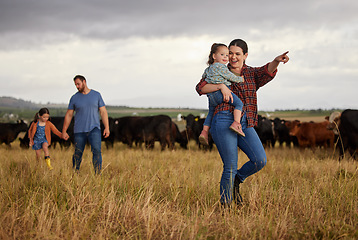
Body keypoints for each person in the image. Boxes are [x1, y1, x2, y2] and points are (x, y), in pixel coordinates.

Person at [196, 39, 289, 207]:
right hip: (224, 119)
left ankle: (236, 181)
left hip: (246, 123)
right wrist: (221, 87)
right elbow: (200, 88)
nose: (232, 57)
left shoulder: (252, 74)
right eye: (230, 53)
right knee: (230, 165)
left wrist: (276, 61)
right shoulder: (219, 70)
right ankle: (226, 207)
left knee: (259, 160)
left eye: (237, 54)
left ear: (245, 55)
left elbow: (266, 71)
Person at [199, 43, 245, 146]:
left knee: (211, 112)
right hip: (221, 93)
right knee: (239, 104)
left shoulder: (208, 68)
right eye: (222, 55)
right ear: (214, 56)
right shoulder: (222, 67)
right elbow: (230, 77)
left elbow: (203, 77)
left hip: (211, 96)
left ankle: (204, 132)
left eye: (226, 55)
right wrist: (240, 79)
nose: (226, 57)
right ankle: (236, 124)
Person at [62, 75, 110, 174]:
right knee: (78, 152)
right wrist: (64, 131)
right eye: (75, 85)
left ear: (84, 82)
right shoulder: (74, 98)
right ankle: (75, 172)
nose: (77, 86)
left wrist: (107, 128)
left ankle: (98, 174)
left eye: (78, 84)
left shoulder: (96, 95)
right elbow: (69, 115)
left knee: (97, 151)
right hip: (79, 130)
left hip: (94, 129)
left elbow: (103, 112)